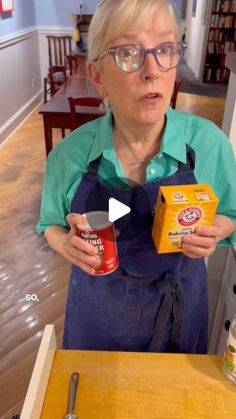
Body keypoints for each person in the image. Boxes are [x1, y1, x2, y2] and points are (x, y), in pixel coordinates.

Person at [37, 0, 236, 353]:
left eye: (165, 49)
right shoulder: (69, 156)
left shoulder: (210, 145)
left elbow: (231, 214)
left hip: (180, 308)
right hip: (97, 311)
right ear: (97, 76)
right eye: (128, 52)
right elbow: (49, 224)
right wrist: (64, 242)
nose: (152, 69)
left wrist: (219, 229)